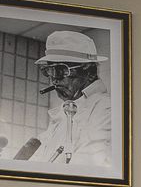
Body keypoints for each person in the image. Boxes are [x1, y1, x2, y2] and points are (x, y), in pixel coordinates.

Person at [24, 30, 111, 168]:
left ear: (89, 72)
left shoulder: (107, 109)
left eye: (60, 70)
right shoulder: (64, 114)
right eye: (48, 71)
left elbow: (89, 167)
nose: (54, 80)